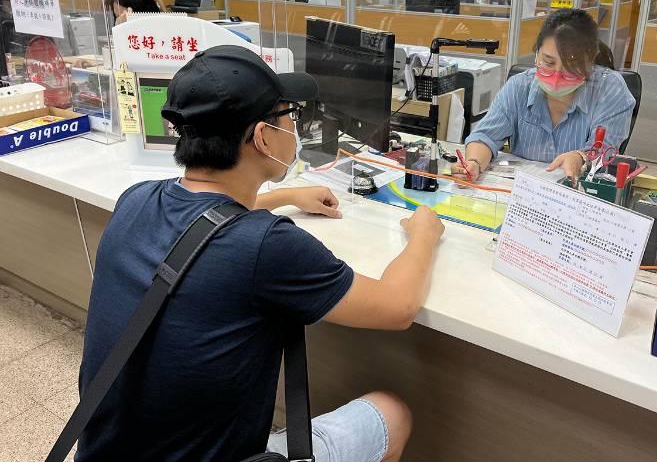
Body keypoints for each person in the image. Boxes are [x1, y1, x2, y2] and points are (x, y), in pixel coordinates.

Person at [77, 44, 445, 462]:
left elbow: (206, 223)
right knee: (391, 413)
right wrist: (423, 234)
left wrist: (284, 195)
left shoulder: (136, 199)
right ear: (263, 136)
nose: (295, 125)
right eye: (289, 113)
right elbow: (398, 307)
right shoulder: (268, 246)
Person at [453, 8, 634, 183]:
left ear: (591, 59)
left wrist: (580, 157)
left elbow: (603, 151)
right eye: (548, 62)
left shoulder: (610, 90)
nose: (557, 74)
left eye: (572, 66)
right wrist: (473, 163)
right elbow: (486, 136)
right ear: (537, 52)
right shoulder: (519, 86)